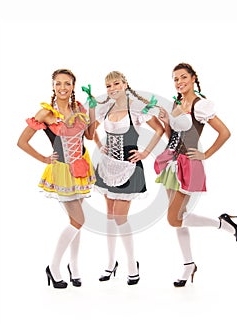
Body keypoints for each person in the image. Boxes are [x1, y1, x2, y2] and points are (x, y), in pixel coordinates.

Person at [155, 62, 237, 287]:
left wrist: (206, 155)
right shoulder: (177, 102)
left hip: (188, 163)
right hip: (170, 161)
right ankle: (188, 265)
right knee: (179, 219)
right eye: (175, 79)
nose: (179, 82)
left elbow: (225, 132)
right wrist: (165, 120)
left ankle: (221, 224)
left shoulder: (200, 105)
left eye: (183, 77)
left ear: (194, 78)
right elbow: (171, 136)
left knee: (174, 218)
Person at [17, 69, 96, 288]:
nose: (63, 87)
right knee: (79, 220)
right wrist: (44, 158)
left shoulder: (78, 108)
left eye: (67, 83)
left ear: (73, 86)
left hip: (82, 167)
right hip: (62, 170)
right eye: (58, 83)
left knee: (75, 222)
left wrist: (92, 110)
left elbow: (89, 136)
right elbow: (21, 142)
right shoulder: (46, 113)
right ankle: (53, 267)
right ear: (53, 86)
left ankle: (74, 265)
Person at [93, 71, 164, 285]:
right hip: (107, 166)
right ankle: (110, 262)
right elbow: (90, 131)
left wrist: (145, 152)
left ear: (125, 84)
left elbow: (159, 130)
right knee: (109, 216)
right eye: (108, 85)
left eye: (116, 83)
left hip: (128, 167)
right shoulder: (105, 108)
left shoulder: (136, 108)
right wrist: (99, 146)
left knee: (120, 219)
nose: (112, 88)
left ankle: (133, 265)